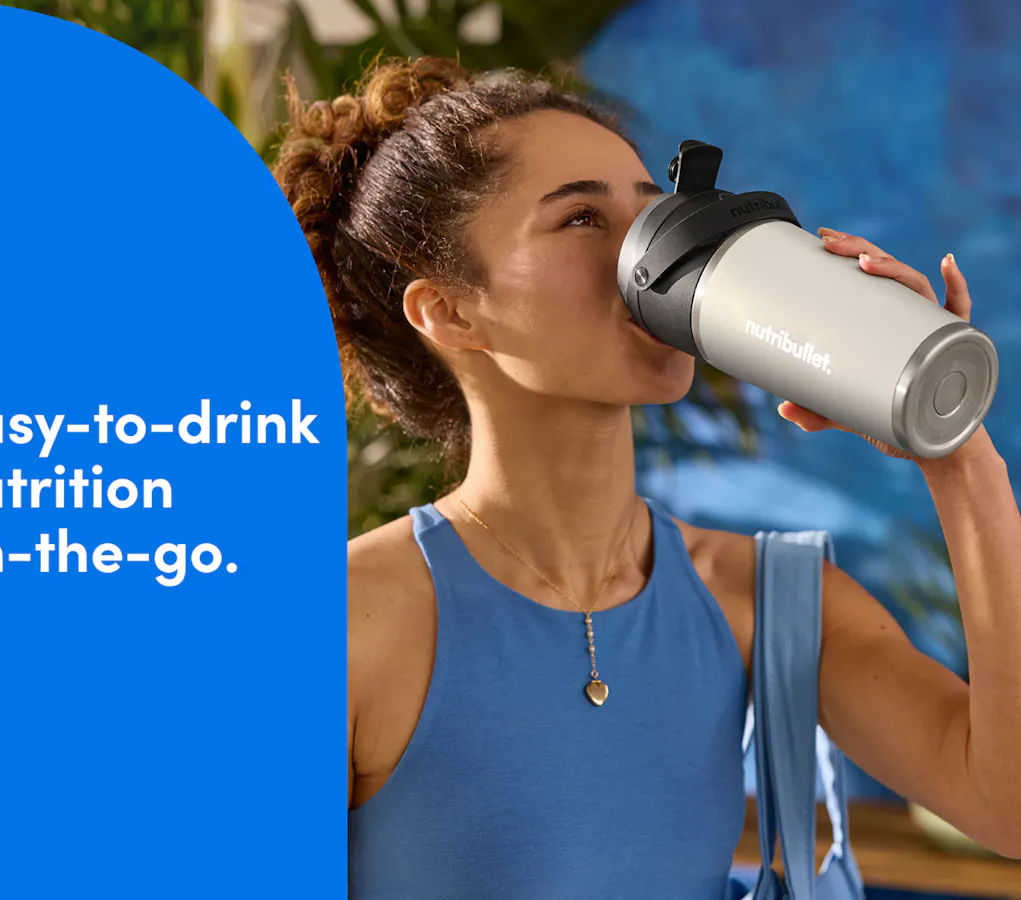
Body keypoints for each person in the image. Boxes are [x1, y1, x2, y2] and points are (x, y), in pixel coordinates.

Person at [272, 56, 1021, 897]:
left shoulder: (768, 601)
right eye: (582, 219)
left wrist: (957, 457)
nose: (645, 258)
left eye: (651, 215)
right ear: (450, 310)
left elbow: (1007, 809)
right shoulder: (342, 626)